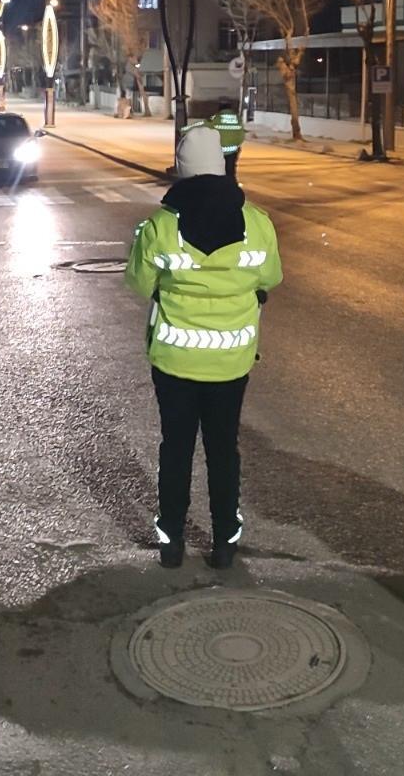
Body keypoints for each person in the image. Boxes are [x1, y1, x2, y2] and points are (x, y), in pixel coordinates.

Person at [125, 124, 281, 570]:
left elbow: (139, 283)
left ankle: (172, 540)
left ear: (182, 169)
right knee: (223, 449)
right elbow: (271, 278)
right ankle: (224, 542)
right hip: (231, 361)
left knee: (176, 447)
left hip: (174, 360)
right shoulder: (257, 223)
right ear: (221, 166)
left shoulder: (159, 227)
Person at [207, 100, 245, 178]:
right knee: (230, 170)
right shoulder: (237, 118)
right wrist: (236, 145)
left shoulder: (215, 118)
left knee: (217, 171)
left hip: (217, 151)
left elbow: (208, 133)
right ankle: (230, 182)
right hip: (232, 151)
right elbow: (241, 135)